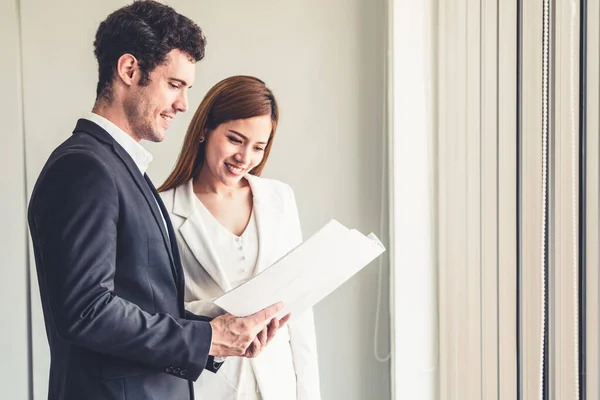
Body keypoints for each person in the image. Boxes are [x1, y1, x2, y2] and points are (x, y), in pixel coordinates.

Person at [27, 3, 286, 400]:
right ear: (129, 70)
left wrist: (224, 330)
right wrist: (207, 339)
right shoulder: (84, 167)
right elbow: (86, 311)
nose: (183, 105)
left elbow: (142, 301)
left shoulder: (120, 167)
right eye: (175, 85)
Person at [158, 75, 321, 400]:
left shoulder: (279, 199)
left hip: (278, 387)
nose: (245, 157)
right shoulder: (163, 209)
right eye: (235, 139)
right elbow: (159, 314)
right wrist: (222, 316)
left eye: (258, 147)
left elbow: (300, 316)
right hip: (208, 387)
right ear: (205, 129)